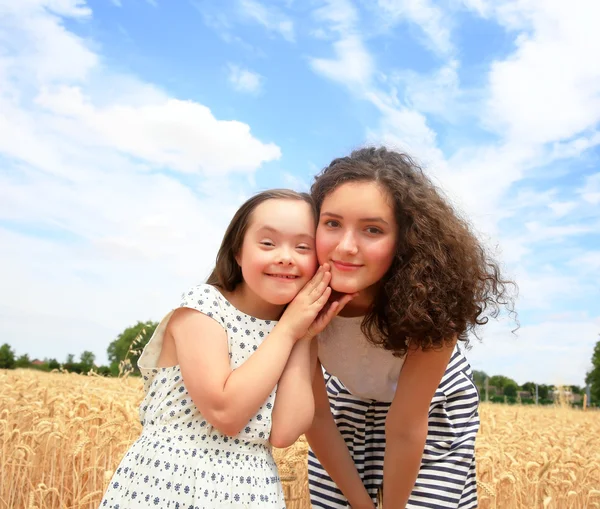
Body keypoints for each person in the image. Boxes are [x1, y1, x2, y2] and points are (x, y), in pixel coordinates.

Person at [99, 189, 354, 509]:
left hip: (252, 493)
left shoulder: (295, 332)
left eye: (302, 247)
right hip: (169, 488)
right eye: (268, 243)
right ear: (237, 252)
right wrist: (290, 330)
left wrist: (303, 337)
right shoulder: (202, 308)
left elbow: (285, 432)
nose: (286, 256)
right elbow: (226, 412)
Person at [305, 147, 516, 509]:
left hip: (430, 407)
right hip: (348, 399)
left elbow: (405, 426)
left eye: (373, 229)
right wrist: (359, 503)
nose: (346, 246)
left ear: (405, 239)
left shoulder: (433, 301)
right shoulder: (297, 300)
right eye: (332, 223)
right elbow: (318, 417)